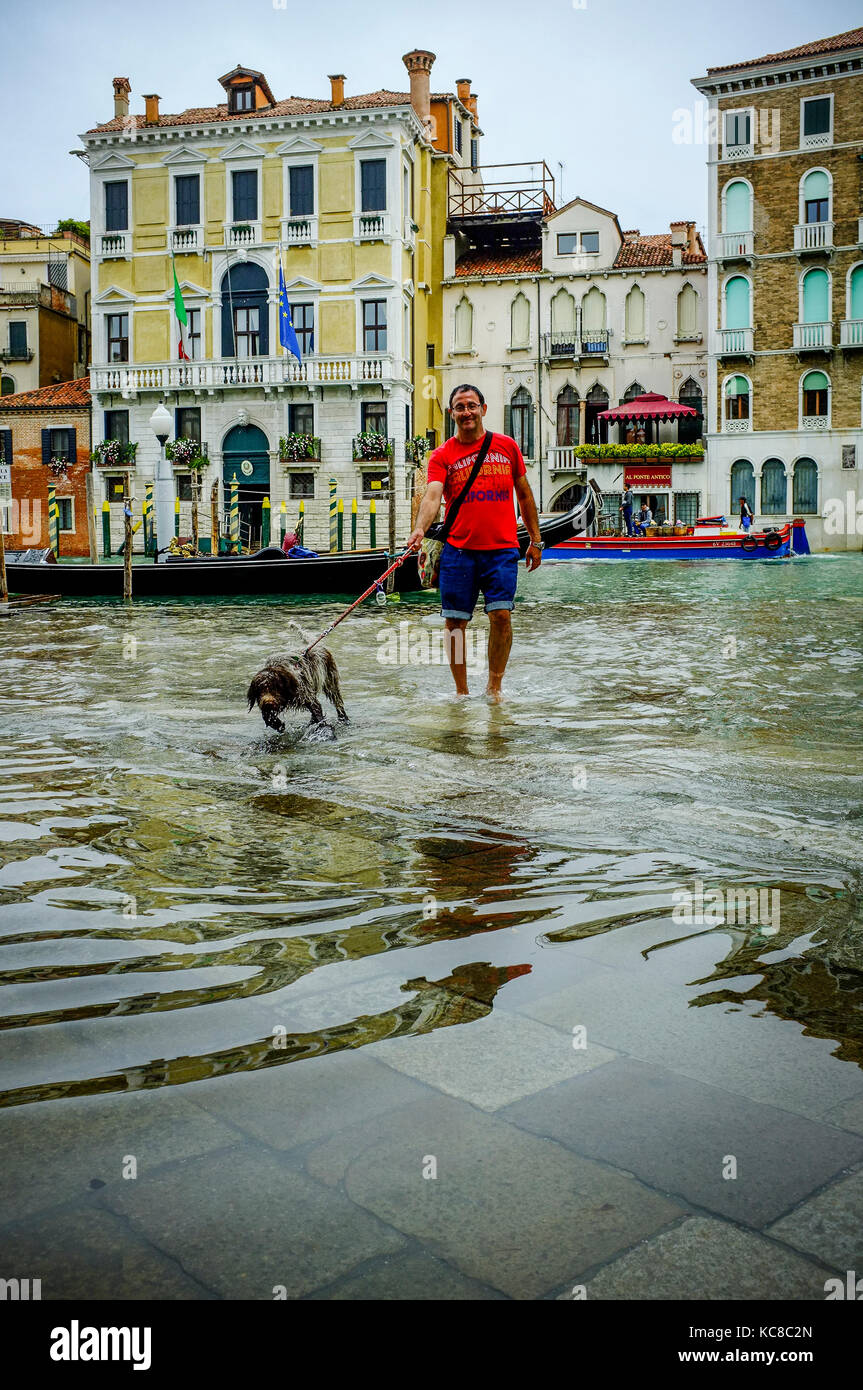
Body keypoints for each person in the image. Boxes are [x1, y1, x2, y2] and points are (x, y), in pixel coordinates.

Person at [407, 383, 543, 702]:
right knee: (455, 622)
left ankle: (494, 687)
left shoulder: (507, 447)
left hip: (501, 551)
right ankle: (462, 692)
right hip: (458, 552)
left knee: (502, 616)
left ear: (483, 409)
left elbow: (524, 495)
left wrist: (536, 540)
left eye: (471, 405)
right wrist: (418, 530)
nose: (466, 411)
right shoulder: (442, 455)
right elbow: (432, 495)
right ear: (452, 413)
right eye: (459, 406)